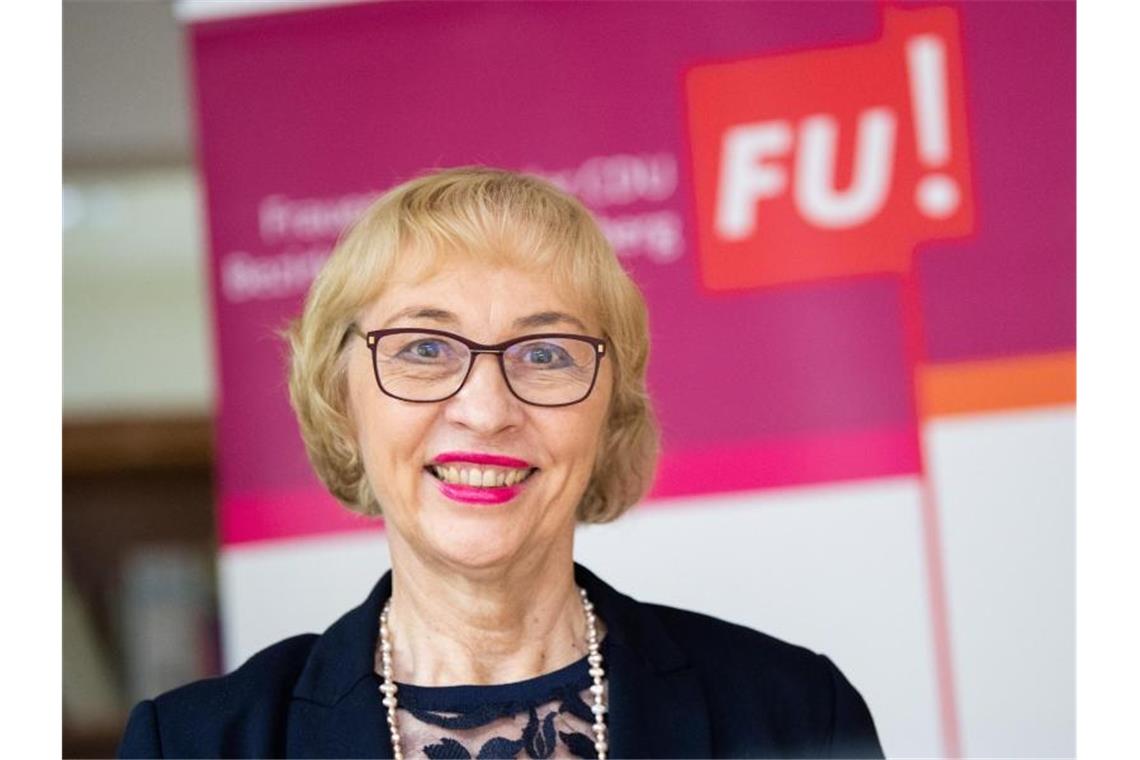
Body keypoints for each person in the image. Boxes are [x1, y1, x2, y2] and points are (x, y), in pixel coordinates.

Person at [118, 167, 884, 759]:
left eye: (545, 353)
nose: (486, 410)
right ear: (340, 398)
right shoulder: (193, 745)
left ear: (609, 412)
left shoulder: (792, 713)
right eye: (424, 348)